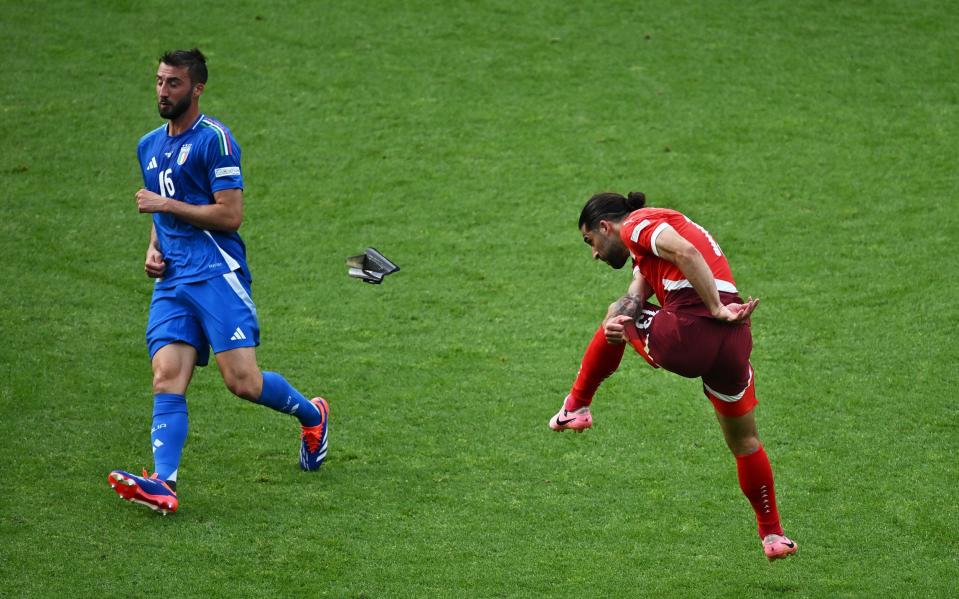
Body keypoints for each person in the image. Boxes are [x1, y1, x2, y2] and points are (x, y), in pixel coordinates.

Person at [108, 48, 330, 515]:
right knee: (166, 377)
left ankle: (313, 416)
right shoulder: (148, 145)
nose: (163, 91)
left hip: (215, 273)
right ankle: (164, 483)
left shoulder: (216, 140)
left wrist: (163, 209)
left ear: (196, 88)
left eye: (173, 83)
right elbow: (162, 204)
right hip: (172, 281)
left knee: (243, 383)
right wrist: (154, 246)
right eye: (159, 81)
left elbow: (230, 215)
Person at [549, 191, 797, 560]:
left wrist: (714, 308)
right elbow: (635, 297)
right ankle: (773, 535)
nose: (595, 254)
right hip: (733, 341)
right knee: (745, 443)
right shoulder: (648, 253)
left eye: (591, 242)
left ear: (605, 226)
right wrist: (626, 318)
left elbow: (688, 254)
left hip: (696, 330)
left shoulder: (636, 225)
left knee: (614, 313)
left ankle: (577, 406)